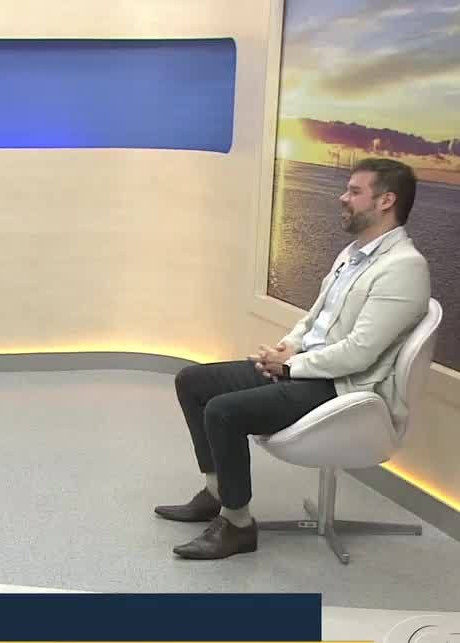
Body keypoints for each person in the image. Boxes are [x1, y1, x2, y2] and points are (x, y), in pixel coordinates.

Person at [157, 158, 431, 559]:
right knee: (192, 381)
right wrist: (286, 347)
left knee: (223, 411)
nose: (343, 197)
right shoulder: (354, 253)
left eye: (355, 191)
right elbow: (316, 318)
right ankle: (216, 493)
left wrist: (289, 367)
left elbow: (360, 352)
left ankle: (237, 525)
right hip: (308, 367)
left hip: (340, 388)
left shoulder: (404, 267)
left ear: (386, 201)